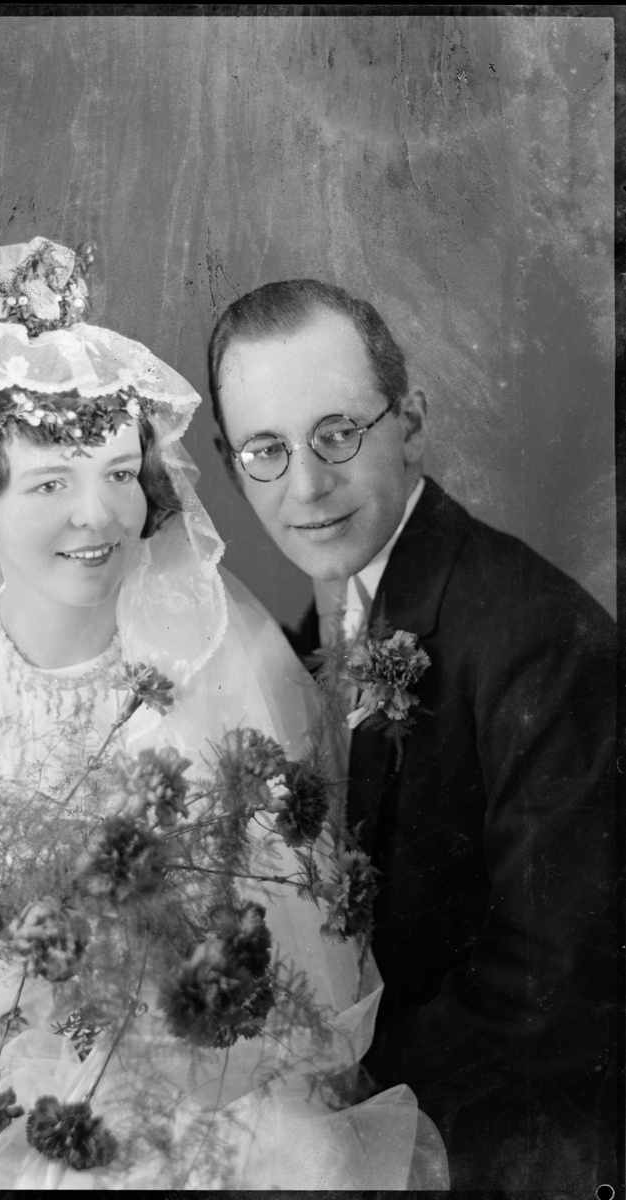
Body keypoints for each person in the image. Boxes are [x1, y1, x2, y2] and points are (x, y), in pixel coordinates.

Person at [0, 241, 448, 1190]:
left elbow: (301, 926)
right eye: (49, 485)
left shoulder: (219, 647)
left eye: (115, 473)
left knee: (303, 1166)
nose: (98, 516)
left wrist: (177, 963)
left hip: (201, 1078)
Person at [207, 279, 617, 1191]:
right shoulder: (322, 621)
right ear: (232, 467)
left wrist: (344, 1099)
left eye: (337, 434)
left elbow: (556, 978)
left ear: (412, 423)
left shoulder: (535, 638)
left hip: (512, 1143)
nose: (306, 486)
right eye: (266, 450)